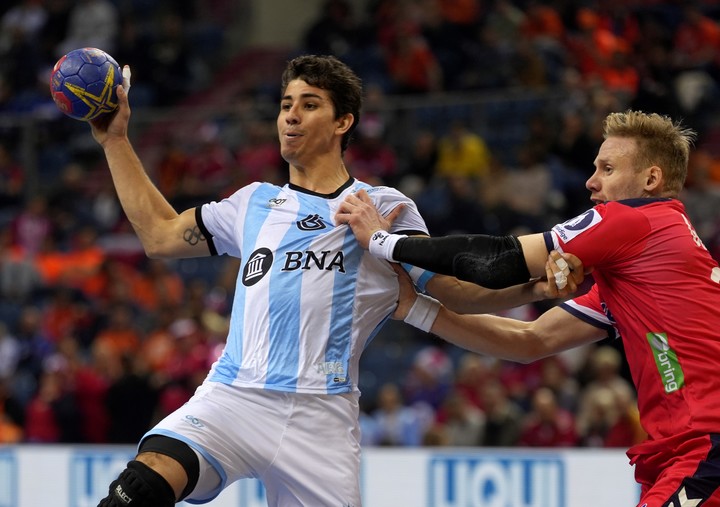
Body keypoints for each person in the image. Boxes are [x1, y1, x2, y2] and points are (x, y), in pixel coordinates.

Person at [89, 54, 573, 507]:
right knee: (140, 484)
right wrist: (115, 140)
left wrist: (534, 287)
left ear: (344, 123)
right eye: (285, 105)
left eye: (309, 104)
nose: (291, 116)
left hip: (320, 420)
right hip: (233, 397)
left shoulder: (381, 207)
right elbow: (159, 234)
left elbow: (456, 294)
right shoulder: (253, 201)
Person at [336, 109, 720, 506]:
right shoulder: (647, 270)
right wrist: (414, 307)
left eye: (606, 168)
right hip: (686, 448)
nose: (591, 182)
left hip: (705, 444)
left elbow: (499, 259)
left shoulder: (635, 220)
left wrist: (383, 241)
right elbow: (530, 341)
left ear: (650, 179)